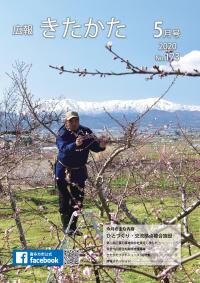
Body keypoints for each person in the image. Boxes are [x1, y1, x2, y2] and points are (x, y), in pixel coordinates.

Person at [55, 111, 107, 236]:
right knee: (64, 199)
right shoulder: (62, 133)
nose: (74, 123)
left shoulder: (86, 132)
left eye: (76, 120)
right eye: (70, 121)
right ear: (66, 122)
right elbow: (63, 148)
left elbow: (94, 147)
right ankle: (65, 227)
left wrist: (101, 146)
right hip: (63, 171)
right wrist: (75, 144)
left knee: (78, 200)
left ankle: (73, 228)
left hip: (79, 171)